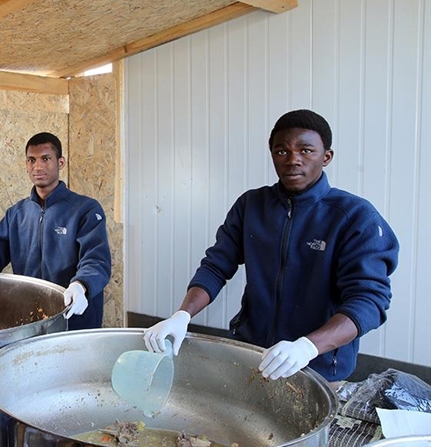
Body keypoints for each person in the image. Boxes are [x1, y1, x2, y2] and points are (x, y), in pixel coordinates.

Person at [143, 109, 399, 382]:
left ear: (326, 157)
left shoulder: (354, 216)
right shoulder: (251, 206)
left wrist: (307, 347)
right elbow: (216, 266)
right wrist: (182, 314)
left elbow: (368, 300)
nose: (292, 160)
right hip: (251, 354)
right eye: (281, 151)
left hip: (317, 367)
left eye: (306, 150)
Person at [0, 132, 112, 330]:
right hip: (33, 317)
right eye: (31, 160)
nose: (38, 167)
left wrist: (82, 285)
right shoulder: (16, 214)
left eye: (46, 159)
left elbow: (97, 261)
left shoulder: (85, 209)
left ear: (60, 162)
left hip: (75, 315)